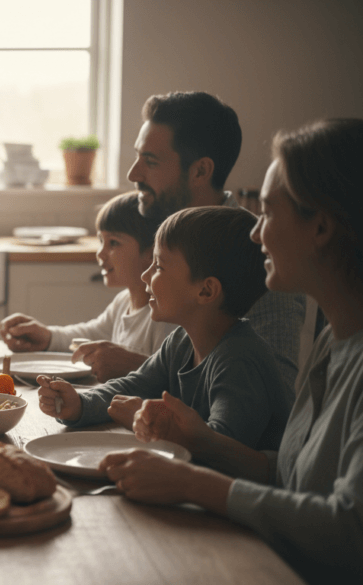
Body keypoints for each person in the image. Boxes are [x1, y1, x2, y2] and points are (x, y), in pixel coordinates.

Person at [99, 119, 363, 583]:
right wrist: (201, 440)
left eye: (266, 213)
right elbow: (290, 473)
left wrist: (196, 484)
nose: (257, 234)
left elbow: (349, 529)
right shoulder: (334, 340)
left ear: (320, 227)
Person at [42, 91, 305, 389]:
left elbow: (272, 392)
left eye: (149, 161)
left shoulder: (258, 257)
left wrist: (140, 369)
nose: (133, 173)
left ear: (200, 171)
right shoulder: (162, 240)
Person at [39, 206, 293, 451]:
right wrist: (79, 404)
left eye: (158, 266)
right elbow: (132, 386)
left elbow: (222, 449)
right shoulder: (181, 341)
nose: (145, 276)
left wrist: (148, 419)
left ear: (205, 291)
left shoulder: (240, 360)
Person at [0, 193, 176, 380]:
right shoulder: (124, 301)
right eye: (101, 241)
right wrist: (47, 337)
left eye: (113, 243)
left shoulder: (164, 317)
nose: (100, 253)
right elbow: (91, 334)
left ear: (151, 253)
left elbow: (170, 380)